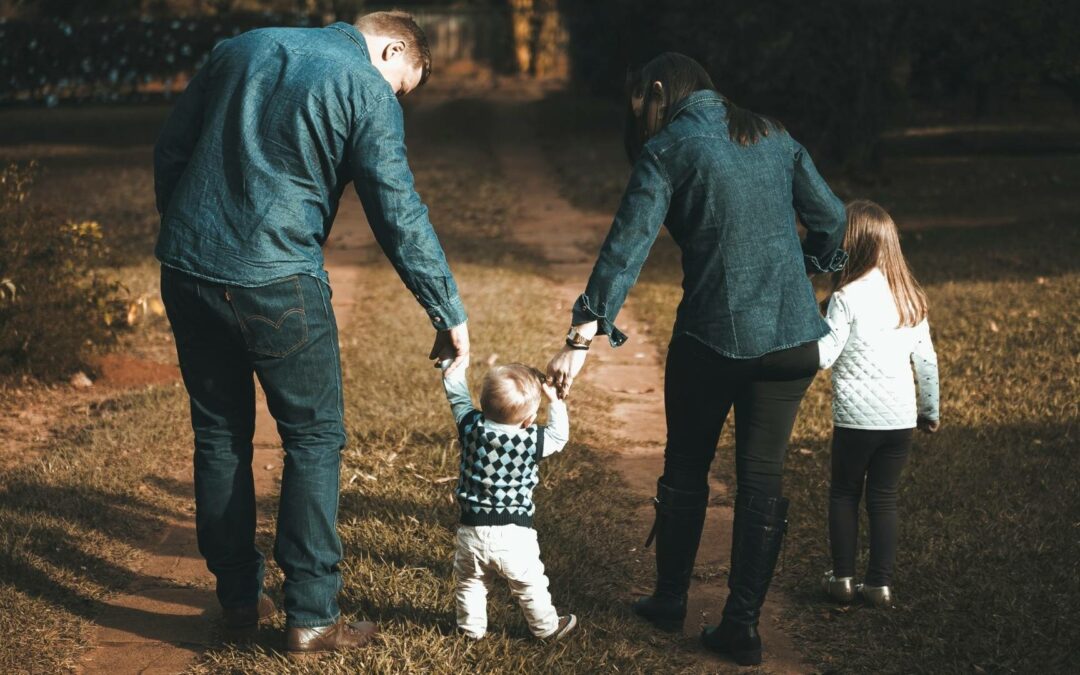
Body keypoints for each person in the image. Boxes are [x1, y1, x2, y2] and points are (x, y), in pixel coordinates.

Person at [154, 12, 470, 655]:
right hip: (278, 280)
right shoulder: (365, 87)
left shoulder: (238, 47)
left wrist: (187, 235)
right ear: (390, 47)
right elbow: (397, 210)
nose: (395, 98)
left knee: (219, 432)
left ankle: (239, 597)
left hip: (187, 269)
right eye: (402, 85)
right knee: (314, 438)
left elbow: (171, 148)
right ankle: (314, 614)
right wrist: (446, 310)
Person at [546, 53, 847, 666]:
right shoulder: (774, 133)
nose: (644, 122)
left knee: (686, 466)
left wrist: (579, 342)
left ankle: (668, 600)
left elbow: (623, 252)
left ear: (658, 92)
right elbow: (834, 221)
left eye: (643, 108)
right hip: (792, 344)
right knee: (762, 479)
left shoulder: (670, 148)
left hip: (711, 341)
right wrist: (808, 269)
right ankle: (742, 627)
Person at [817, 200, 940, 609]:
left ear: (850, 244)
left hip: (855, 422)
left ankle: (843, 580)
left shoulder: (846, 298)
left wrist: (804, 334)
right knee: (884, 498)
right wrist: (930, 411)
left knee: (845, 493)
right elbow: (926, 361)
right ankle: (880, 585)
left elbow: (825, 356)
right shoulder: (910, 298)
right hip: (900, 420)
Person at [440, 360, 577, 640]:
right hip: (515, 535)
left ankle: (470, 630)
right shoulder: (531, 440)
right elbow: (559, 437)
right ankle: (547, 628)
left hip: (472, 531)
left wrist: (451, 365)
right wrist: (555, 402)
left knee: (471, 583)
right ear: (528, 420)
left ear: (483, 404)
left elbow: (457, 396)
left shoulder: (471, 427)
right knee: (530, 584)